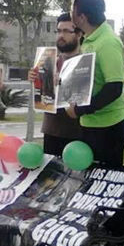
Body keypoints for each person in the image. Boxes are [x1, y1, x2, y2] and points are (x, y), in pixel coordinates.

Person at [67, 0, 124, 167]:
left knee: (105, 176)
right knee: (88, 175)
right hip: (91, 122)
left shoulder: (108, 41)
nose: (70, 13)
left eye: (72, 10)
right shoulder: (88, 39)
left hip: (109, 125)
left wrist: (80, 110)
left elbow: (114, 88)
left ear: (82, 17)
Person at [28, 13, 84, 156]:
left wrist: (62, 83)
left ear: (79, 34)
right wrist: (35, 79)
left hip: (77, 132)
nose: (61, 35)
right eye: (58, 31)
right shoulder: (49, 61)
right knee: (51, 169)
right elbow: (43, 98)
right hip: (51, 129)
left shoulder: (85, 62)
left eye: (66, 31)